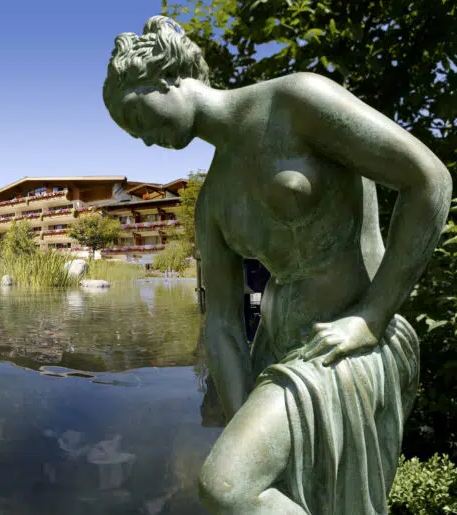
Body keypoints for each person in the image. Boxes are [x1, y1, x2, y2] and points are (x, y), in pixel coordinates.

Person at [103, 15, 451, 515]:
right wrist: (243, 413)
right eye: (129, 133)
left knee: (227, 487)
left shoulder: (295, 102)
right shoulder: (212, 200)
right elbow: (222, 323)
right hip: (280, 355)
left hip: (345, 344)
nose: (142, 138)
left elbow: (429, 181)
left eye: (135, 116)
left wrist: (371, 316)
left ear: (164, 76)